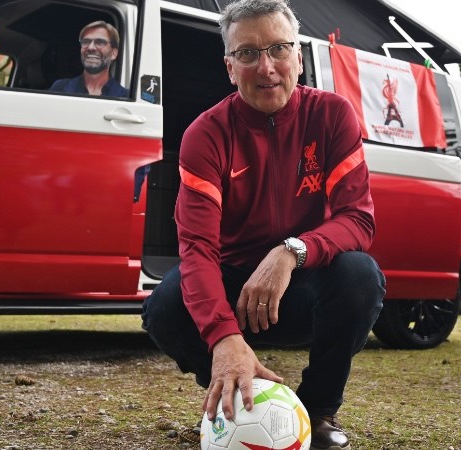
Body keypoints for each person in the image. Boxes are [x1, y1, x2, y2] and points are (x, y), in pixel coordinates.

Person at [141, 0, 385, 448]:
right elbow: (197, 250)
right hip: (235, 290)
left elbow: (358, 220)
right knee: (164, 308)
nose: (266, 67)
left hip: (305, 287)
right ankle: (248, 395)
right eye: (248, 53)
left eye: (278, 49)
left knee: (360, 275)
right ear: (230, 68)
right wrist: (223, 336)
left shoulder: (333, 116)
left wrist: (291, 252)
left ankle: (318, 411)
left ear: (298, 57)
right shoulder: (205, 135)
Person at [49, 20, 128, 97]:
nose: (91, 47)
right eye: (86, 41)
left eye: (100, 42)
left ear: (113, 53)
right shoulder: (59, 88)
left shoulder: (125, 97)